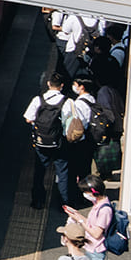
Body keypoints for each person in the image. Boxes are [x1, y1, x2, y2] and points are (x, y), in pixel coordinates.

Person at [22, 78, 85, 212]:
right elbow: (75, 121)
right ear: (62, 85)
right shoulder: (68, 102)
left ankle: (37, 201)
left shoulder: (38, 100)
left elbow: (28, 118)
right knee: (63, 174)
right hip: (61, 144)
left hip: (41, 143)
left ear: (49, 84)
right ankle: (64, 205)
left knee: (39, 172)